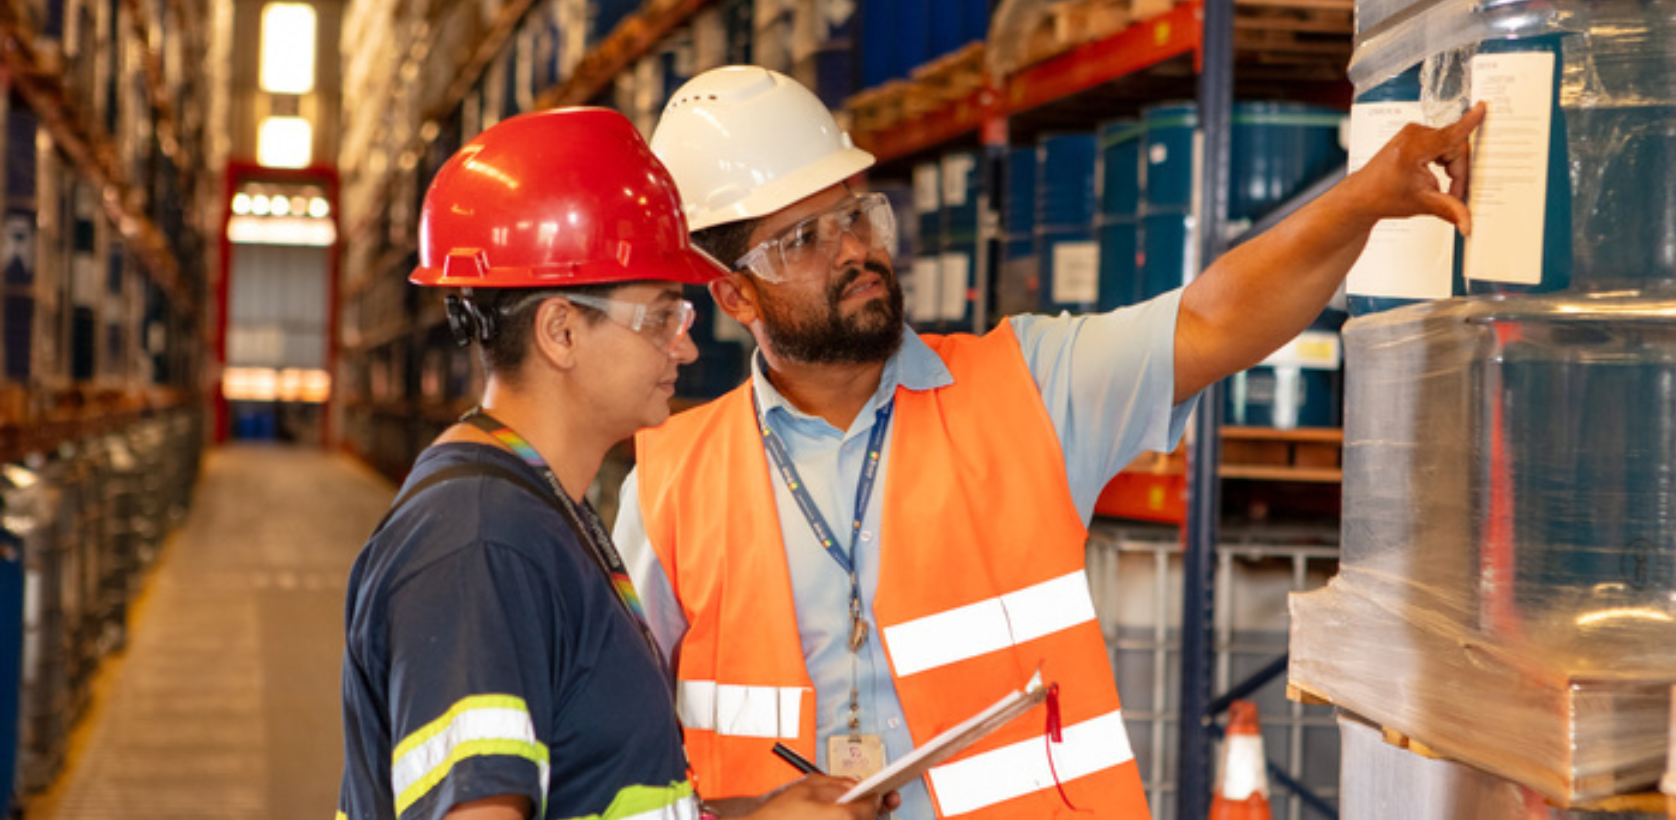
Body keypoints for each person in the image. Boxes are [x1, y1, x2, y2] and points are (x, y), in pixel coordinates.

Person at [614, 67, 1486, 819]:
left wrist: (1365, 199)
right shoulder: (671, 485)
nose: (854, 251)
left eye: (857, 214)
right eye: (803, 240)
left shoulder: (1028, 385)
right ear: (735, 298)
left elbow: (1216, 319)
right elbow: (613, 754)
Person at [336, 107, 893, 820]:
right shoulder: (477, 545)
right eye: (661, 316)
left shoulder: (538, 512)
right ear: (562, 331)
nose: (686, 348)